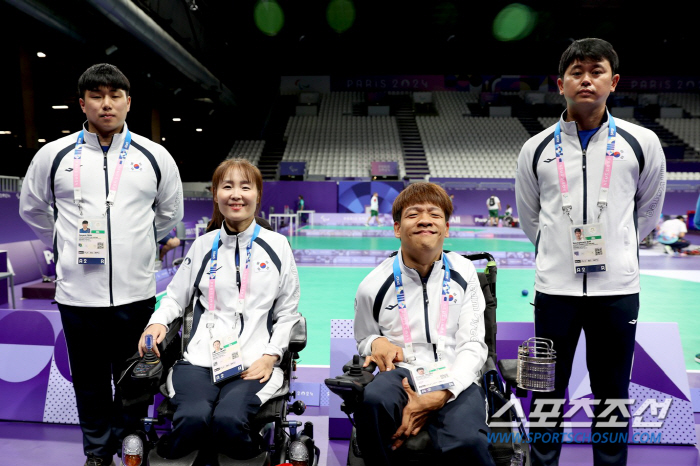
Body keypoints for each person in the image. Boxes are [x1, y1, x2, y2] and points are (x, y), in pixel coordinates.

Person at [19, 63, 183, 466]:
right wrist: (60, 240)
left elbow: (169, 213)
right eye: (96, 96)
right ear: (82, 103)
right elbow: (32, 208)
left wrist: (139, 246)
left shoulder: (154, 156)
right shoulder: (53, 155)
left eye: (114, 96)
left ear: (128, 102)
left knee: (136, 379)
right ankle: (96, 451)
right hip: (78, 296)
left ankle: (130, 441)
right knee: (89, 384)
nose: (106, 104)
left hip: (137, 293)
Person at [515, 38, 666, 466]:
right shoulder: (536, 149)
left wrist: (618, 250)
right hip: (554, 291)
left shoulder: (642, 143)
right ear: (559, 83)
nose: (586, 79)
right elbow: (530, 218)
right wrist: (557, 256)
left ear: (613, 81)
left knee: (613, 395)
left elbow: (648, 211)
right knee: (546, 393)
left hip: (617, 292)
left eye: (595, 71)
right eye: (576, 72)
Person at [138, 159, 301, 461]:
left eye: (245, 187)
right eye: (227, 186)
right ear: (215, 194)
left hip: (254, 363)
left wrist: (271, 356)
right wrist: (156, 323)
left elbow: (288, 313)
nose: (236, 194)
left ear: (257, 195)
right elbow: (174, 298)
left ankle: (253, 455)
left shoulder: (278, 246)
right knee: (193, 418)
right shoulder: (202, 246)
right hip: (200, 362)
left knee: (228, 420)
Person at [353, 182, 494, 466]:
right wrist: (376, 342)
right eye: (414, 214)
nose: (425, 220)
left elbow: (473, 344)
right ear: (397, 228)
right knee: (372, 402)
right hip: (402, 375)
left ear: (446, 228)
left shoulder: (465, 272)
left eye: (434, 214)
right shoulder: (372, 284)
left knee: (469, 442)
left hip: (455, 374)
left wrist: (444, 392)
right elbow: (364, 338)